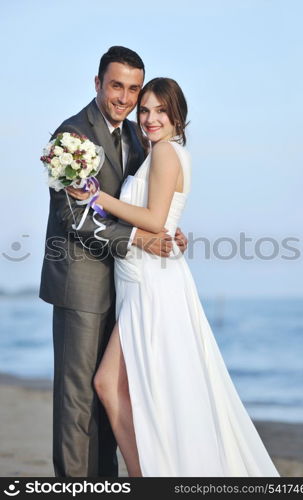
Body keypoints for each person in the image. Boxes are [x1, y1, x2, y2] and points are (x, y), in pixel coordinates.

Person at [67, 77, 280, 477]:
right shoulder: (159, 154)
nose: (149, 118)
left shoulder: (166, 152)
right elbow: (163, 223)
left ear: (177, 114)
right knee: (122, 389)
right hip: (139, 277)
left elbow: (153, 219)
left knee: (118, 387)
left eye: (160, 110)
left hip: (153, 284)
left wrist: (96, 196)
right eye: (144, 110)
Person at [39, 47, 187, 478]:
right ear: (98, 83)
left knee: (111, 396)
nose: (124, 97)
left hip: (125, 285)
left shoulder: (136, 139)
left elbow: (141, 202)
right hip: (80, 282)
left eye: (133, 89)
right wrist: (141, 237)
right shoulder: (71, 137)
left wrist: (167, 231)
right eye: (116, 85)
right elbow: (75, 217)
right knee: (77, 399)